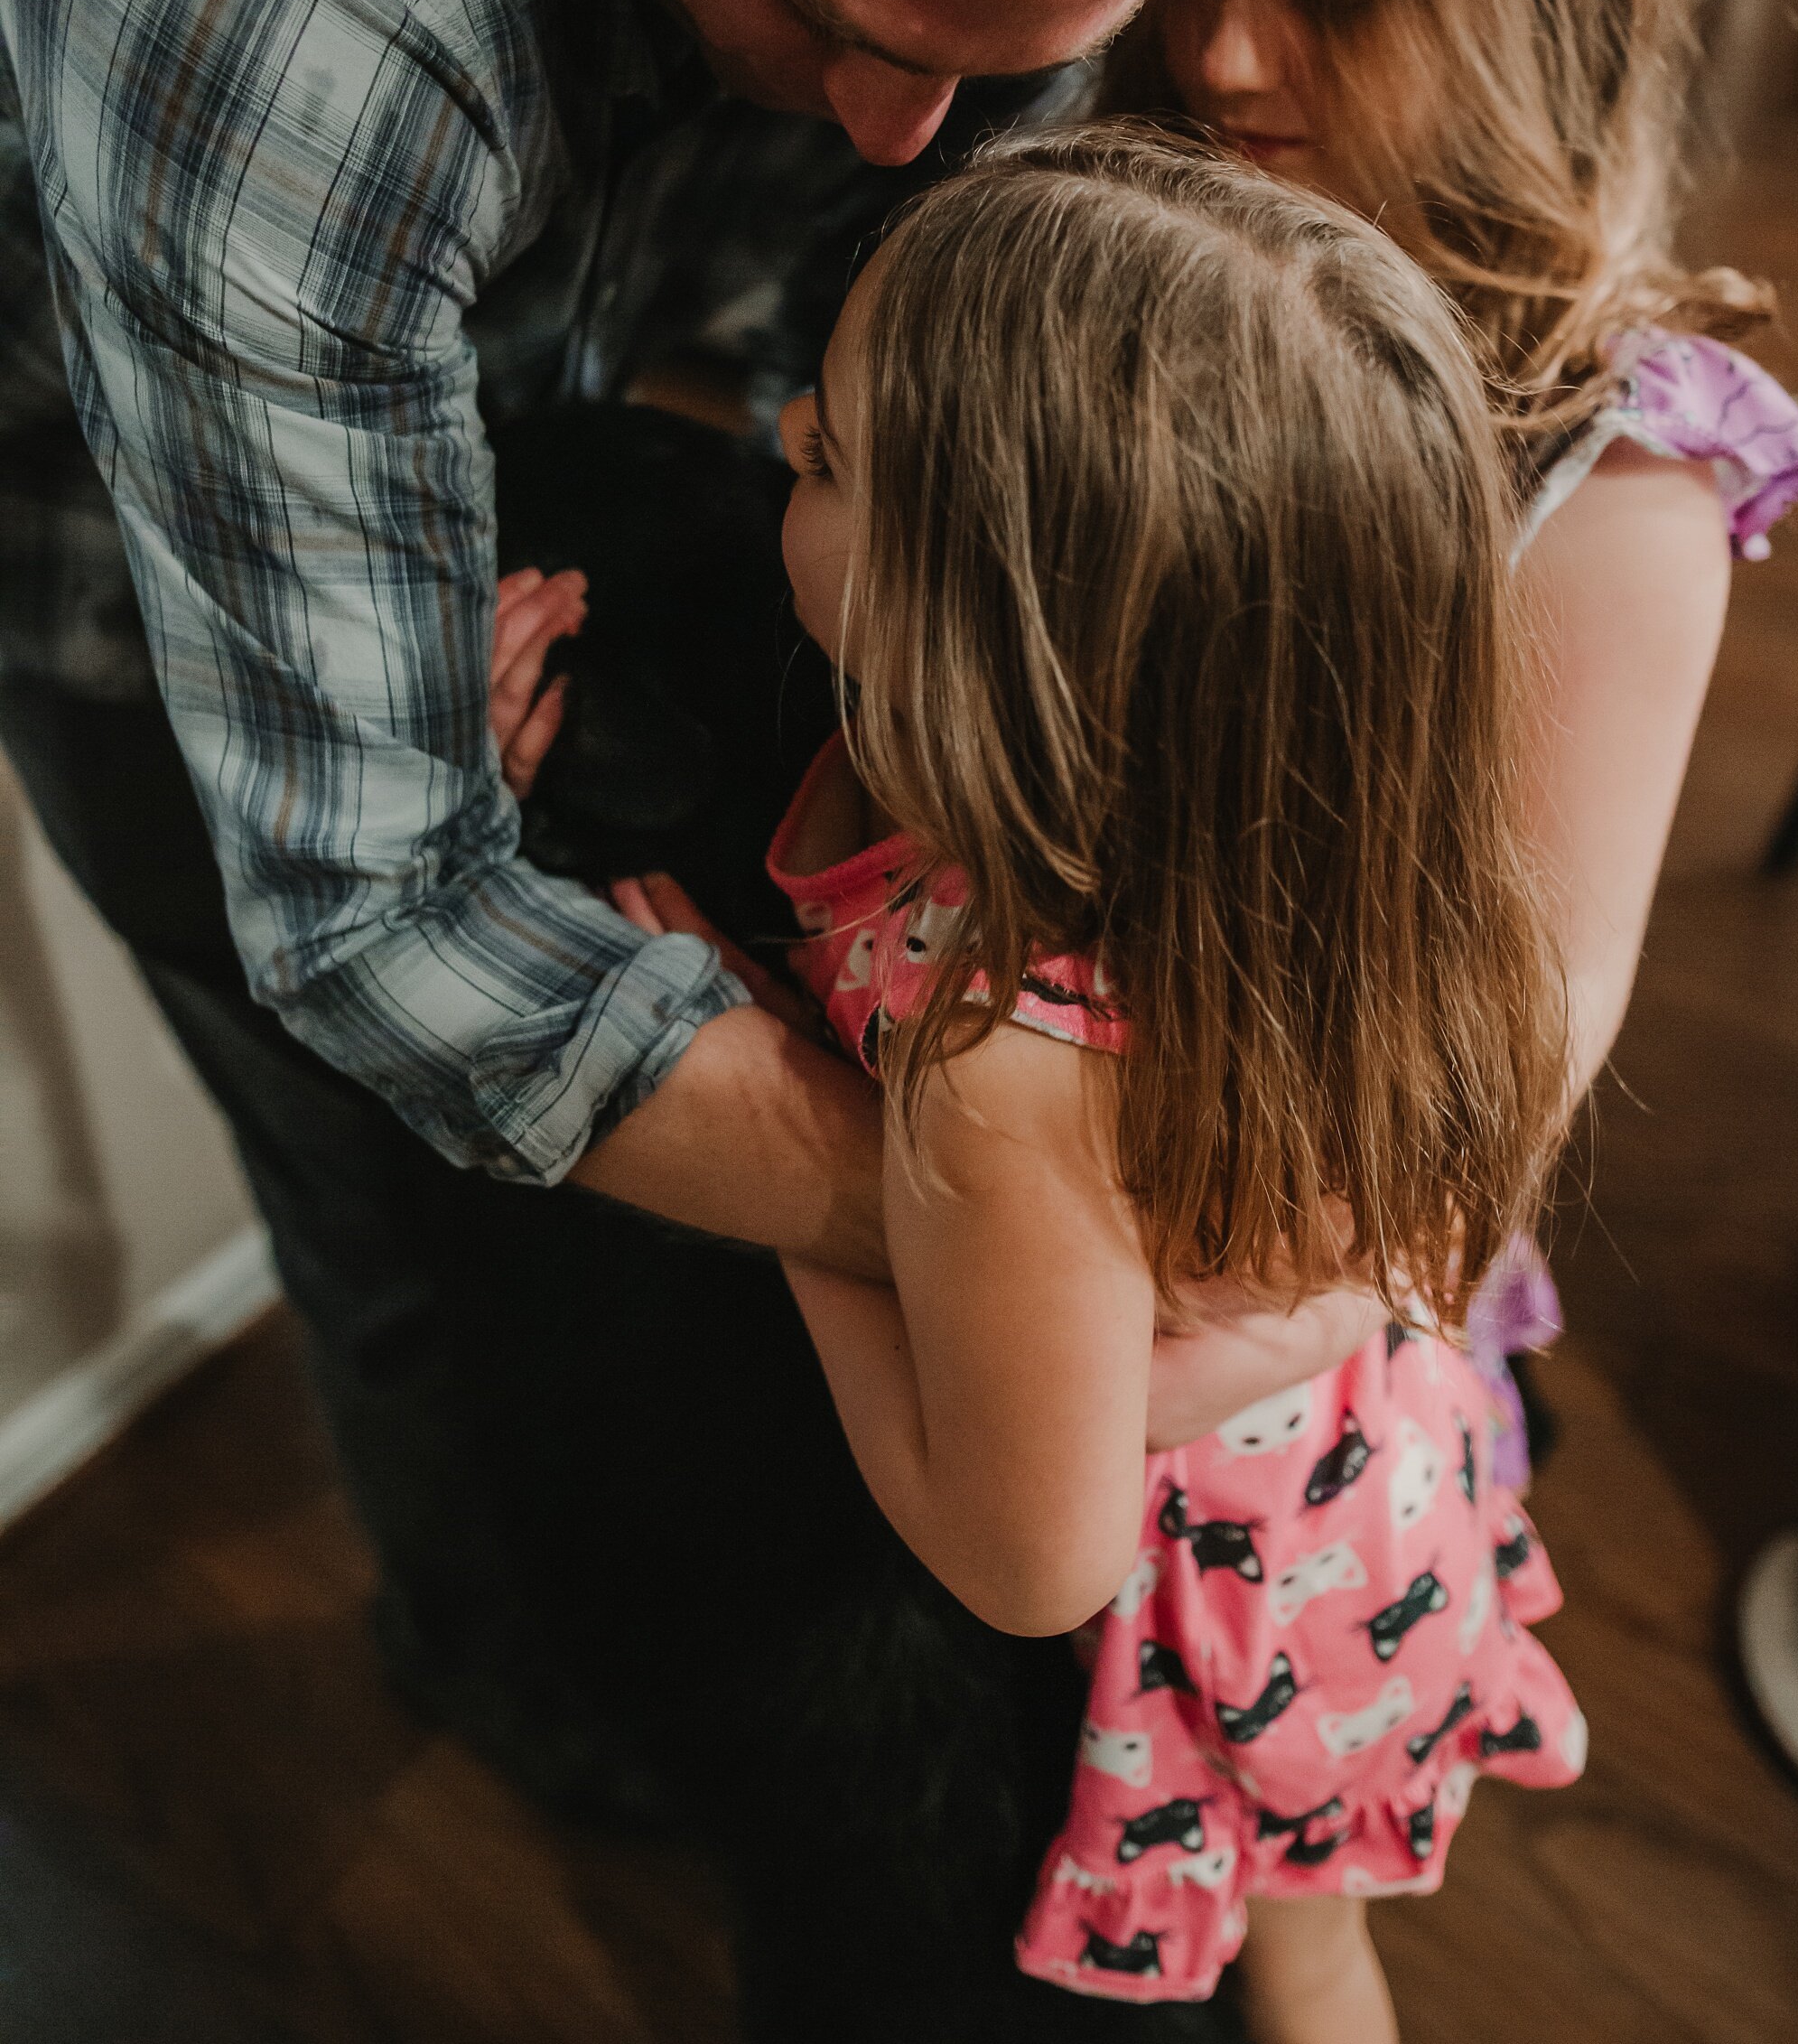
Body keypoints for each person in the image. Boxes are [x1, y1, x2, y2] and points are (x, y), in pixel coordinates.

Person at [0, 0, 1398, 2030]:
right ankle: (507, 1679)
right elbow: (381, 923)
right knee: (400, 1209)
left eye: (1025, 60)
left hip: (577, 396)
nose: (910, 140)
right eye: (841, 17)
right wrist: (1052, 1252)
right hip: (127, 524)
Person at [494, 126, 1587, 2042]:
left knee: (1293, 1945)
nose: (776, 473)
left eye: (820, 459)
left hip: (1234, 1602)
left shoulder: (1002, 1069)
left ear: (984, 620)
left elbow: (1029, 1557)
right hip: (1367, 1468)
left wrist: (803, 1189)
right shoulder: (1300, 818)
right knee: (1327, 1941)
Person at [1106, 0, 1798, 1472]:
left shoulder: (1616, 500)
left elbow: (1482, 1123)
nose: (1226, 57)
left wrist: (1118, 1368)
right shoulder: (1157, 264)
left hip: (1258, 1337)